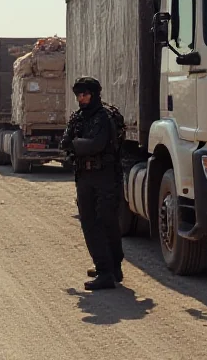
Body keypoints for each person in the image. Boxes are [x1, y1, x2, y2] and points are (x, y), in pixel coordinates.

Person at [61, 76, 124, 291]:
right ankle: (106, 267)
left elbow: (96, 145)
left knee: (106, 221)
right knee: (89, 222)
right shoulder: (78, 117)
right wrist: (78, 145)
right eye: (79, 95)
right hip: (84, 176)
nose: (81, 98)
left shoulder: (103, 117)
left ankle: (110, 270)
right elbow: (65, 142)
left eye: (85, 94)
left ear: (94, 94)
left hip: (105, 175)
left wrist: (77, 144)